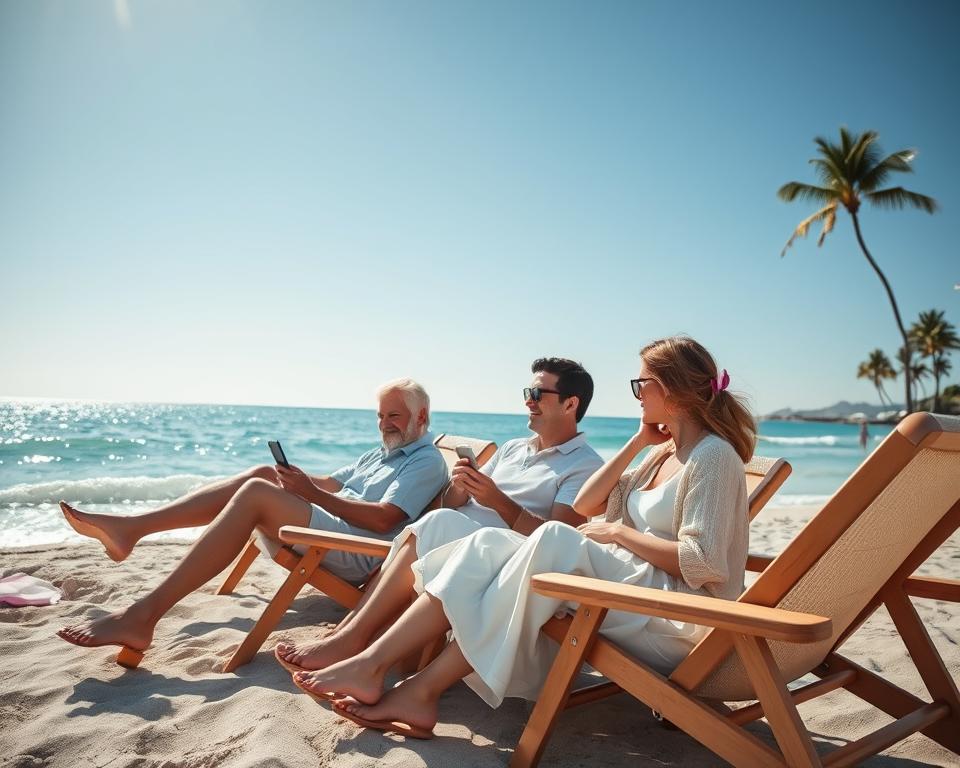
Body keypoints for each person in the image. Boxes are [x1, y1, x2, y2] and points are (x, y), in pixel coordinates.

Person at [293, 336, 756, 740]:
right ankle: (378, 665)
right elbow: (594, 503)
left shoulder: (713, 457)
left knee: (553, 537)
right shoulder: (665, 454)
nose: (635, 394)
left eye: (641, 385)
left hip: (680, 618)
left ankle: (413, 685)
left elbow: (703, 563)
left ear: (672, 388)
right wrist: (638, 443)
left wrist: (617, 532)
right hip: (637, 594)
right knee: (484, 545)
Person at [56, 378, 448, 658]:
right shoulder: (381, 452)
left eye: (393, 416)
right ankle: (134, 528)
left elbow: (384, 520)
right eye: (380, 416)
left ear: (422, 416)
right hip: (335, 525)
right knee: (263, 474)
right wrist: (295, 478)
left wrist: (308, 494)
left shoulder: (426, 461)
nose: (384, 424)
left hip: (358, 550)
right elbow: (331, 483)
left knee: (258, 495)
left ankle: (142, 615)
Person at [275, 357, 603, 673]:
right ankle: (347, 635)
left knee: (434, 524)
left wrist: (497, 500)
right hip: (456, 534)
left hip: (501, 556)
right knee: (434, 522)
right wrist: (462, 486)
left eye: (536, 394)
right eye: (526, 393)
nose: (528, 401)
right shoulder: (513, 448)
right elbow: (450, 503)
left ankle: (350, 638)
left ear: (570, 404)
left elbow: (560, 540)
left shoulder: (584, 465)